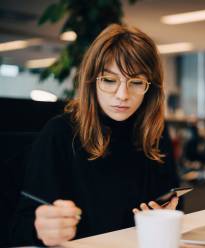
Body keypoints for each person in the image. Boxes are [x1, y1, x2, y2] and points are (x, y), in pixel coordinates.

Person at [10, 24, 180, 246]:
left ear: (150, 88)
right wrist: (41, 229)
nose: (122, 95)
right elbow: (18, 228)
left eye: (136, 82)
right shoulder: (60, 134)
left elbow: (173, 199)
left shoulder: (155, 132)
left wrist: (163, 215)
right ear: (92, 81)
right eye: (109, 80)